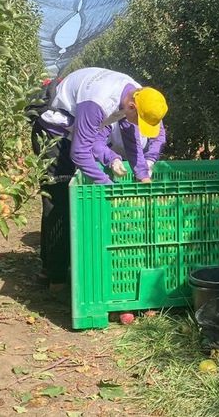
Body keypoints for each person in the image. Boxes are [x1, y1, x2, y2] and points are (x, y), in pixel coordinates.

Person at [26, 67, 168, 283]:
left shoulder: (135, 92)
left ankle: (69, 262)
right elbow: (80, 152)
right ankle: (53, 275)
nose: (139, 127)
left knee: (72, 198)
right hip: (53, 133)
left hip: (75, 130)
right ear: (132, 107)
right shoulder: (98, 102)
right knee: (59, 198)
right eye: (140, 122)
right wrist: (109, 187)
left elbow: (131, 140)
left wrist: (143, 175)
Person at [93, 119, 167, 179]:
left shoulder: (153, 113)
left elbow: (158, 138)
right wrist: (112, 159)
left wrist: (150, 160)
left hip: (140, 157)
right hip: (110, 155)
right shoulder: (112, 114)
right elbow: (97, 142)